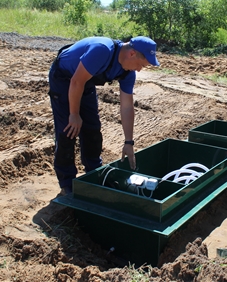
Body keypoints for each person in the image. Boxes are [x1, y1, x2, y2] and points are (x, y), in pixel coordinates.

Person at [48, 36, 160, 195]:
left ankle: (94, 172)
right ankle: (67, 183)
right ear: (132, 53)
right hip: (65, 79)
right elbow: (75, 82)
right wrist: (74, 114)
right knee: (69, 130)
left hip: (84, 82)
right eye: (141, 65)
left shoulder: (127, 73)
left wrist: (129, 142)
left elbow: (127, 107)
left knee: (92, 129)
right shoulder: (102, 50)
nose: (139, 70)